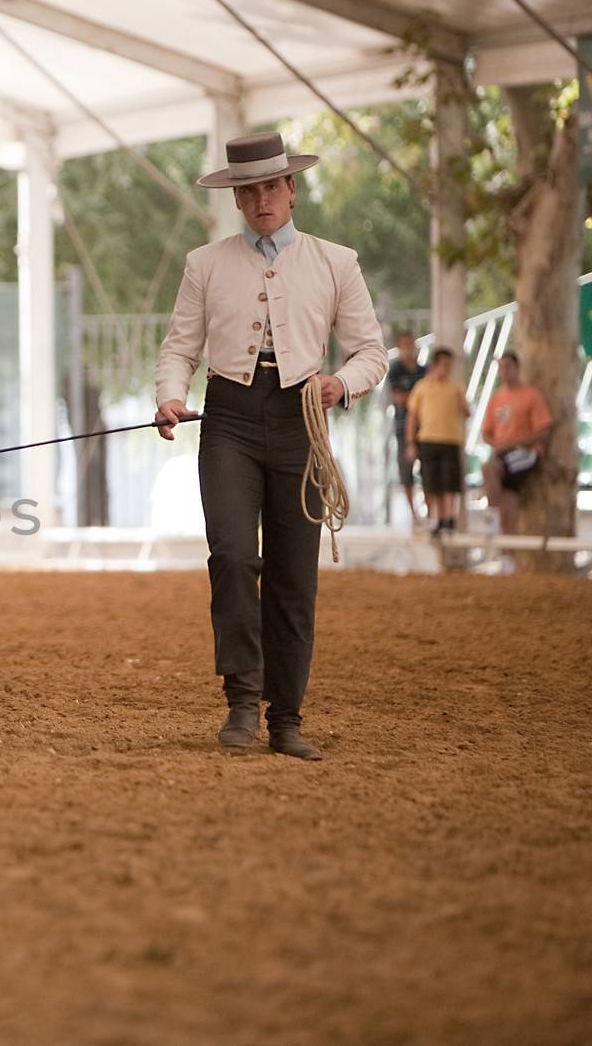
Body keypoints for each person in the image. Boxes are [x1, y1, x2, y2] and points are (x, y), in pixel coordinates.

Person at [155, 131, 387, 762]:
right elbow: (180, 346)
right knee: (232, 555)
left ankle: (285, 717)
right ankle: (241, 699)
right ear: (237, 198)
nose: (262, 199)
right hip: (227, 416)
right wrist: (170, 395)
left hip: (301, 421)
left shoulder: (336, 261)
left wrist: (342, 383)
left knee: (293, 575)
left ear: (291, 189)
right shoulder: (205, 264)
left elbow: (372, 352)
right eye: (249, 189)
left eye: (271, 187)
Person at [481, 351, 555, 534]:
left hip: (525, 452)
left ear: (517, 368)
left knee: (489, 468)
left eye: (508, 367)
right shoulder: (497, 397)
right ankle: (509, 555)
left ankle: (492, 515)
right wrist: (498, 444)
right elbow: (486, 432)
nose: (504, 371)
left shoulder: (531, 395)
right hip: (503, 454)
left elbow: (544, 430)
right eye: (501, 367)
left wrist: (516, 442)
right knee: (508, 500)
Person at [404, 347, 470, 536]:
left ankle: (449, 517)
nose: (447, 369)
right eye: (444, 365)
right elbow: (412, 417)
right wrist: (410, 442)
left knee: (449, 481)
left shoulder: (455, 387)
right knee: (433, 483)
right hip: (428, 439)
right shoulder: (422, 387)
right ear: (435, 365)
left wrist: (461, 402)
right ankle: (437, 518)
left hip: (450, 440)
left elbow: (467, 412)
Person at [385, 329, 427, 524]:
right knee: (406, 471)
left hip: (425, 428)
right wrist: (418, 399)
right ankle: (413, 514)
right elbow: (399, 398)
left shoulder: (423, 371)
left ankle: (429, 511)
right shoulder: (395, 370)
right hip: (403, 427)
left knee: (427, 469)